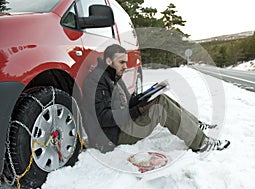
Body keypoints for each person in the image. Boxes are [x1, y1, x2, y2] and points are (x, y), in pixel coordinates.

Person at [81, 44, 230, 153]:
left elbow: (127, 103)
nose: (125, 66)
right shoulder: (97, 81)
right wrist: (138, 110)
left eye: (126, 62)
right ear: (108, 61)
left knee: (160, 97)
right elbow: (103, 117)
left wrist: (146, 96)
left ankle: (195, 124)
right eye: (121, 62)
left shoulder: (114, 77)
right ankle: (201, 143)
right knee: (161, 105)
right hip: (112, 136)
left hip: (122, 126)